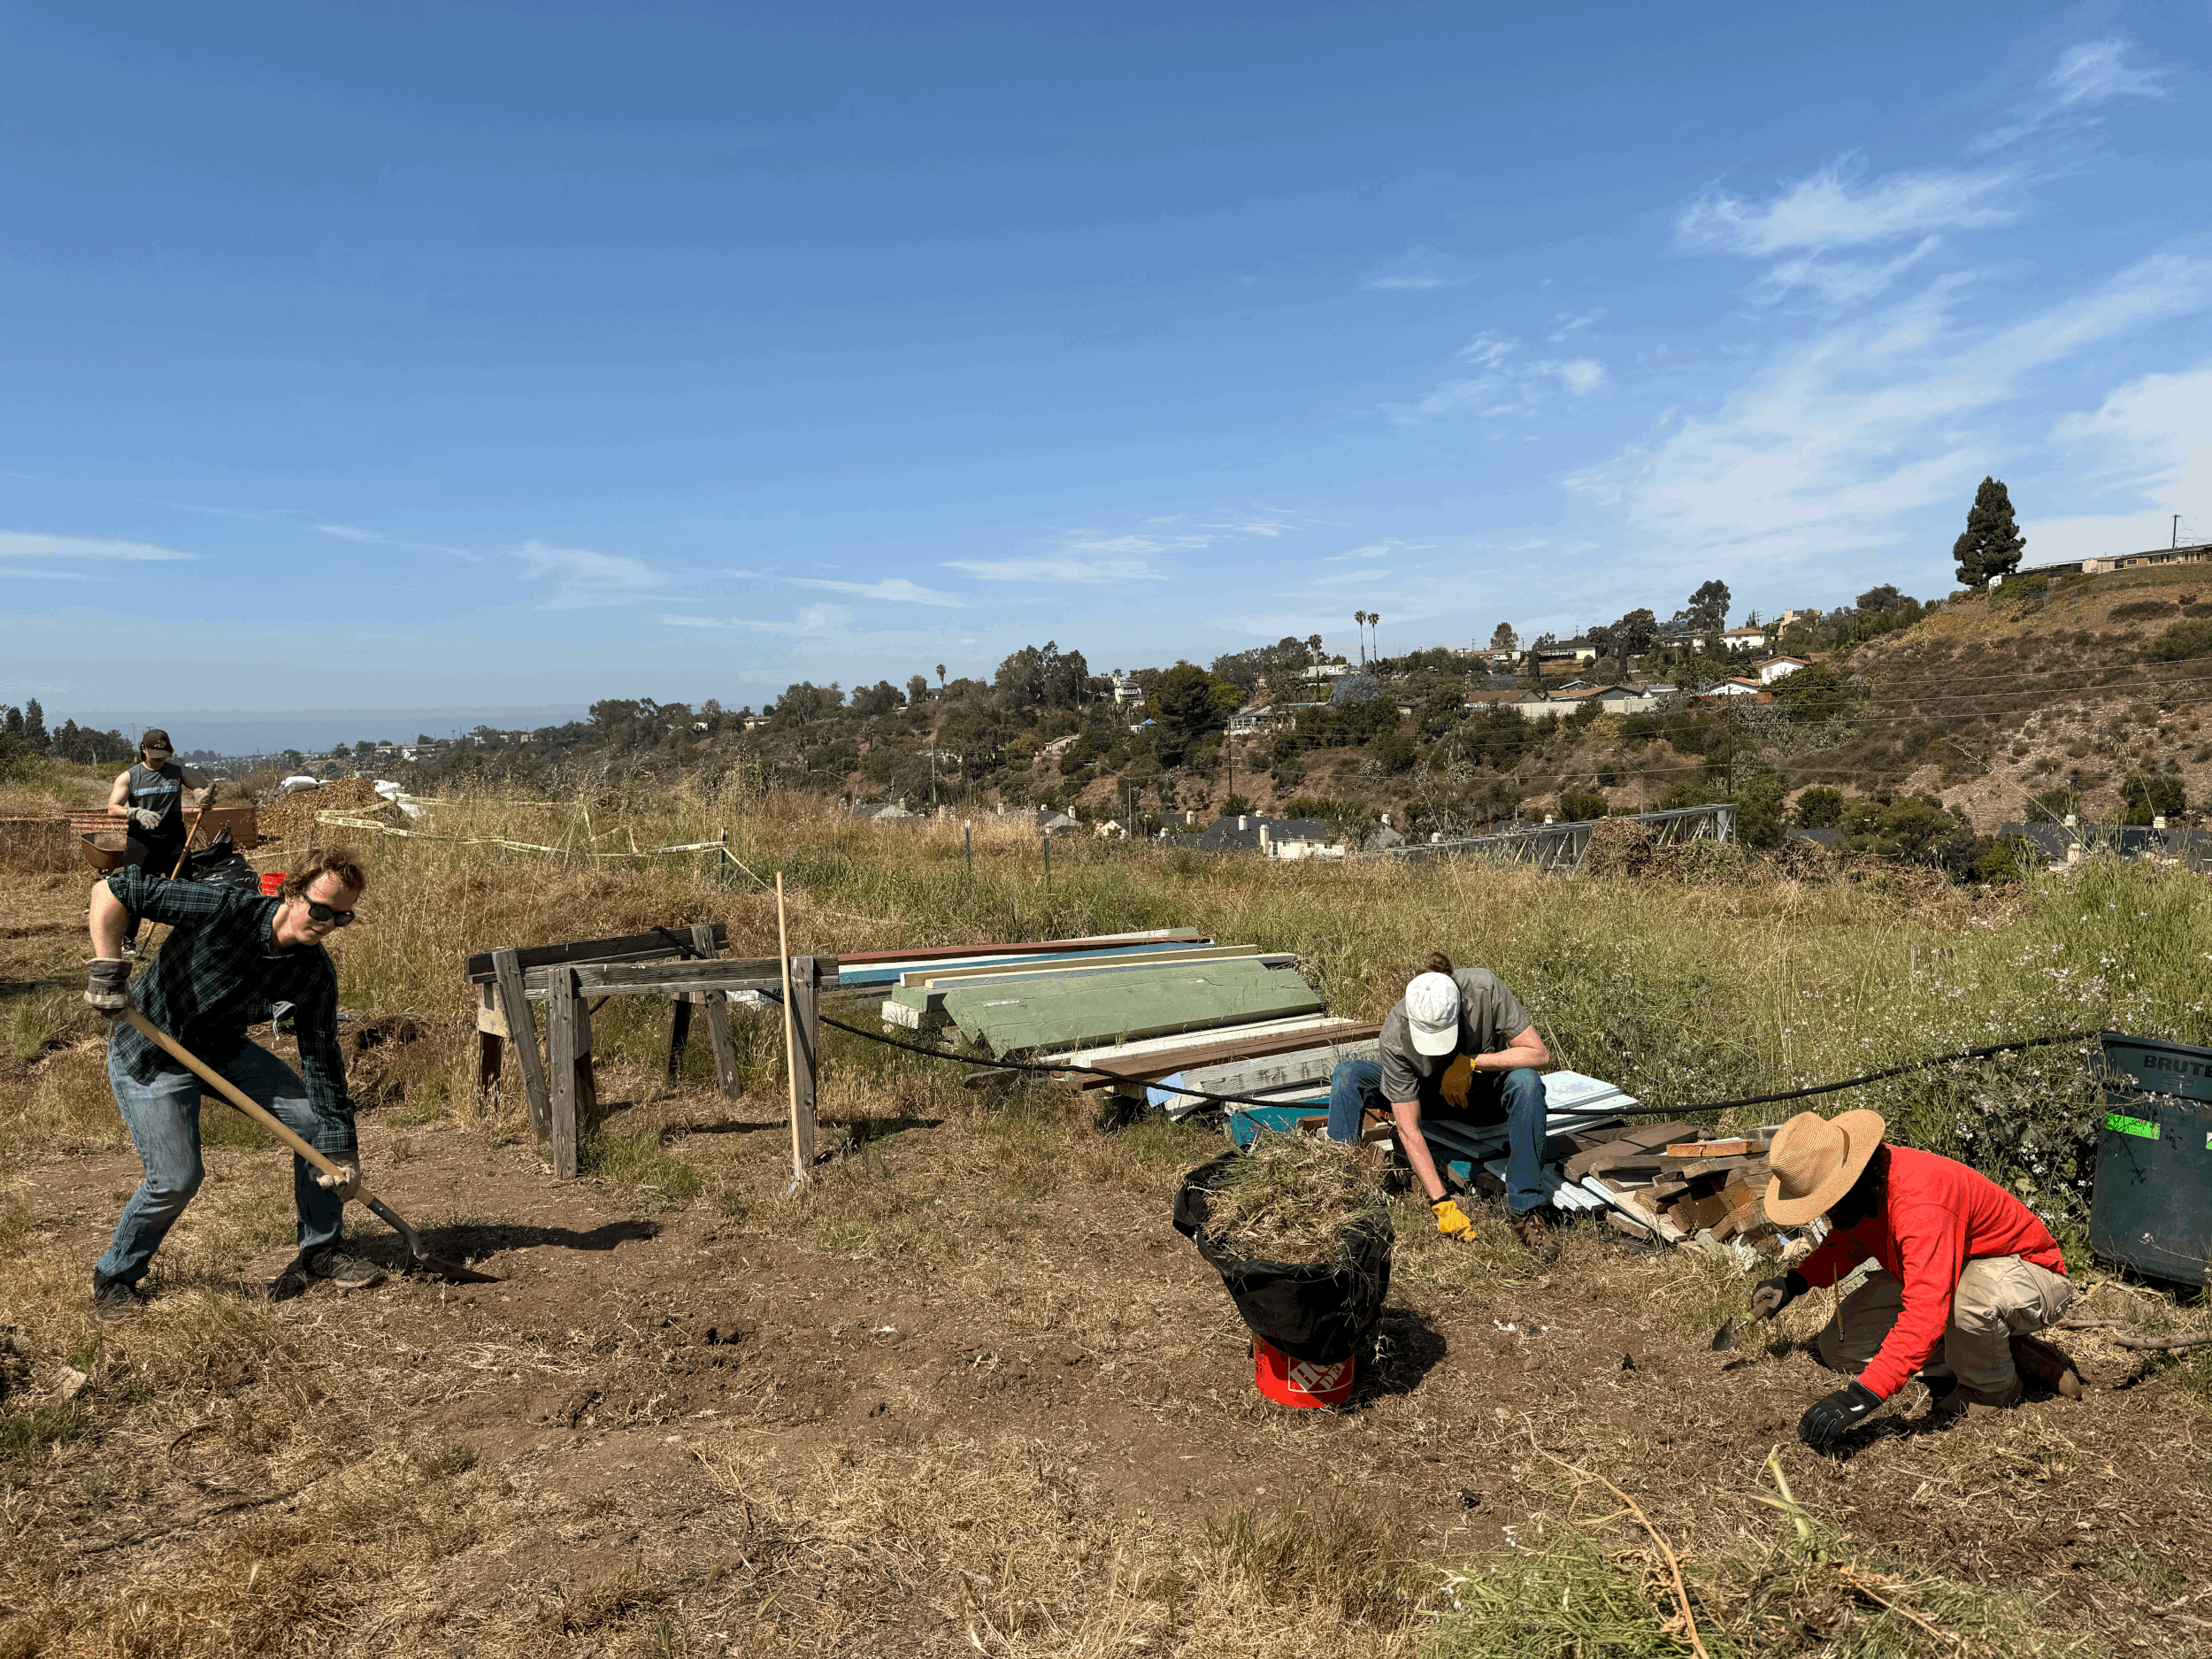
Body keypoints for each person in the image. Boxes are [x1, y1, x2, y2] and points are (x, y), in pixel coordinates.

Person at [81, 847, 383, 1319]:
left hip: (220, 1048)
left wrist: (343, 1150)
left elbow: (322, 1059)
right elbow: (112, 890)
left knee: (314, 1123)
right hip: (151, 1047)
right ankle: (116, 1276)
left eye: (340, 918)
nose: (325, 923)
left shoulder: (313, 973)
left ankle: (321, 1250)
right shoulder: (224, 907)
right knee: (177, 1179)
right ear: (290, 891)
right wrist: (107, 969)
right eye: (320, 909)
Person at [1753, 1109, 2075, 1454]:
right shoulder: (1866, 1185)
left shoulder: (1920, 1202)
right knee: (1839, 1348)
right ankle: (1989, 1349)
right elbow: (1851, 1240)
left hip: (2028, 1275)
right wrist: (1795, 1282)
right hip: (1949, 1271)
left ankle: (1992, 1387)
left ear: (1848, 1179)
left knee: (1968, 1299)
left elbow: (1925, 1310)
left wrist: (1863, 1395)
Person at [1327, 952, 1555, 1256]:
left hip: (1486, 1096)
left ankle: (1525, 1209)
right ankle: (1338, 1196)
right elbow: (1409, 1129)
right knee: (1348, 1074)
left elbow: (1538, 1054)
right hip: (1428, 1100)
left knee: (1526, 1082)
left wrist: (1473, 1063)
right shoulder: (1396, 1033)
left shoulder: (1484, 989)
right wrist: (1441, 1203)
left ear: (1460, 1007)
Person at [104, 729, 212, 951]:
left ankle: (186, 938)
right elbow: (112, 808)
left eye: (163, 755)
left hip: (174, 838)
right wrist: (135, 813)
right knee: (135, 888)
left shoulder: (177, 771)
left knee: (184, 888)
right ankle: (128, 940)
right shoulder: (130, 776)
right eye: (154, 755)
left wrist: (203, 795)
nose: (159, 760)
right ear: (143, 749)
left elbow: (202, 787)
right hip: (142, 840)